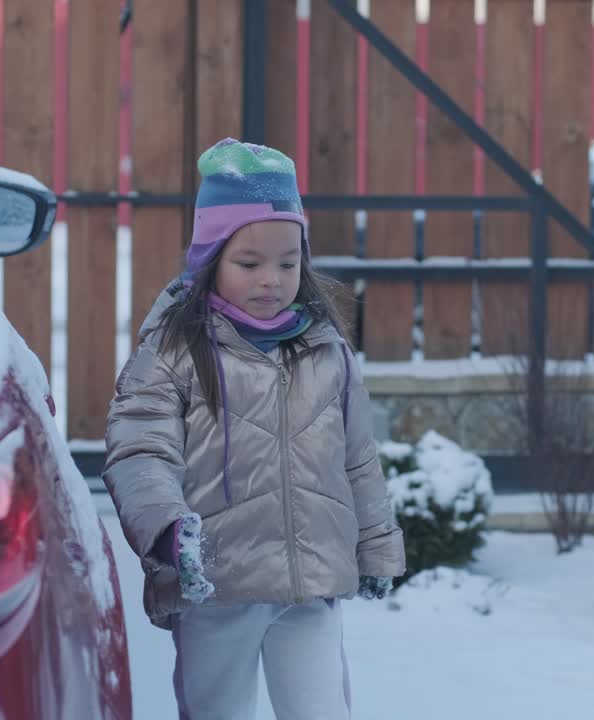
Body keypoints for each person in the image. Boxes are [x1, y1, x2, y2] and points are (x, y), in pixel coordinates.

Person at [103, 138, 405, 719]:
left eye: (288, 263)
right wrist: (167, 529)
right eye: (249, 263)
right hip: (216, 584)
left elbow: (358, 457)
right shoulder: (173, 349)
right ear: (210, 259)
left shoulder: (325, 347)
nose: (271, 279)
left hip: (309, 584)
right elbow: (140, 449)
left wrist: (377, 547)